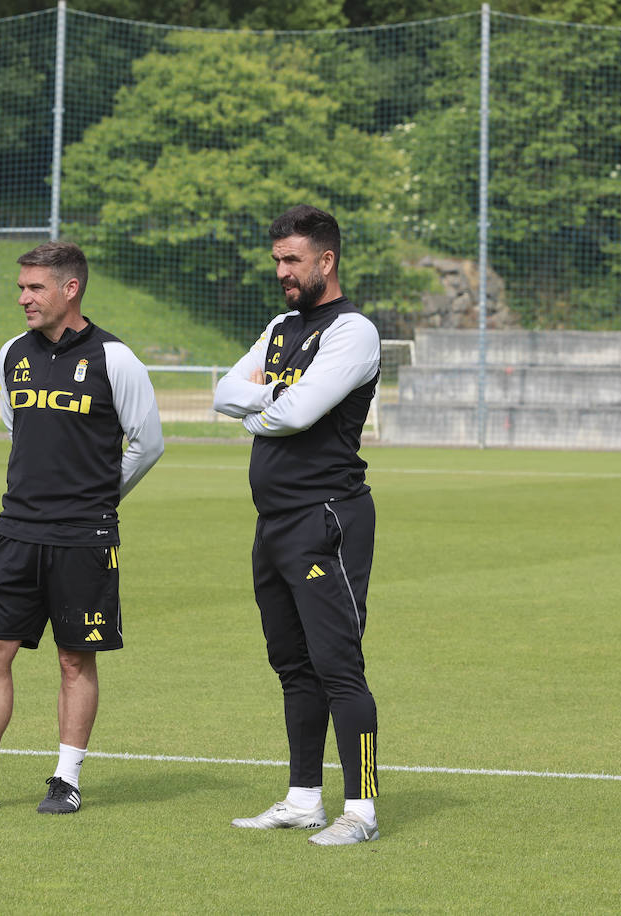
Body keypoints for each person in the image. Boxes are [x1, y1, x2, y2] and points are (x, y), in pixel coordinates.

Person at [0, 240, 164, 815]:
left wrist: (98, 497)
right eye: (21, 288)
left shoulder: (116, 359)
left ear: (70, 289)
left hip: (83, 536)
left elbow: (147, 443)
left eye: (34, 288)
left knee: (74, 658)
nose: (24, 299)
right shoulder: (13, 353)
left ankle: (66, 779)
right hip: (15, 532)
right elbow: (18, 430)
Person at [212, 205, 382, 846]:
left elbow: (300, 413)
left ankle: (361, 810)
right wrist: (272, 401)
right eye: (278, 260)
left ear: (326, 260)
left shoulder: (352, 331)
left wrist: (266, 406)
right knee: (292, 665)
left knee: (339, 665)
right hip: (274, 523)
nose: (282, 271)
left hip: (327, 518)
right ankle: (304, 798)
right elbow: (225, 391)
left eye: (293, 260)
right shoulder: (282, 326)